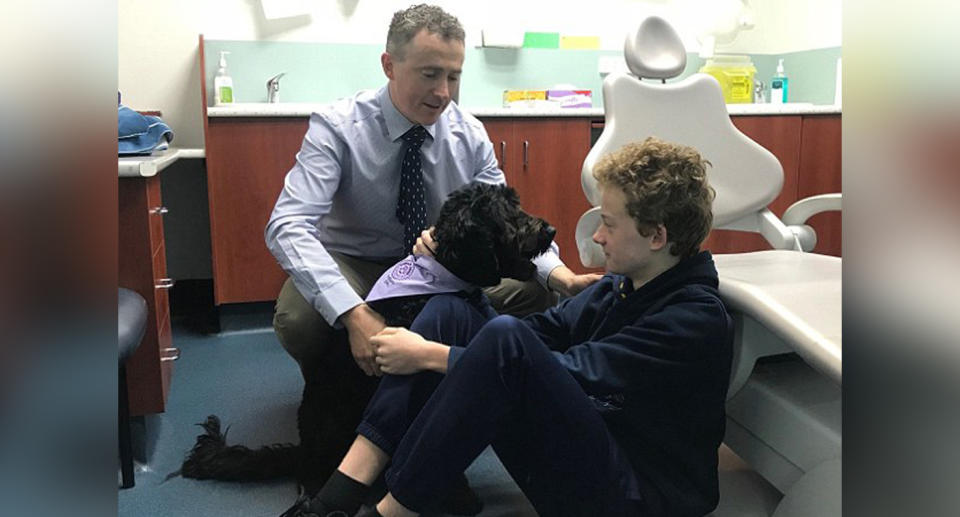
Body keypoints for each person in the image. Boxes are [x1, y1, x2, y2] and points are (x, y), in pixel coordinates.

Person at [292, 137, 735, 517]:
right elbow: (544, 331)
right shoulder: (622, 287)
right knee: (453, 313)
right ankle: (340, 494)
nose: (598, 238)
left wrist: (430, 355)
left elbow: (573, 369)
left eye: (609, 224)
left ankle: (394, 510)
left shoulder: (693, 318)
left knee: (506, 339)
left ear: (657, 237)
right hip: (598, 443)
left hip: (638, 498)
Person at [264, 2, 600, 497]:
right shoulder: (338, 126)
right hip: (357, 261)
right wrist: (356, 315)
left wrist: (560, 277)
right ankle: (343, 386)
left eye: (453, 76)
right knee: (301, 318)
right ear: (389, 66)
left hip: (435, 266)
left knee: (536, 294)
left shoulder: (469, 135)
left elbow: (507, 225)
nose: (443, 92)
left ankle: (457, 389)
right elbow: (288, 224)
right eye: (429, 73)